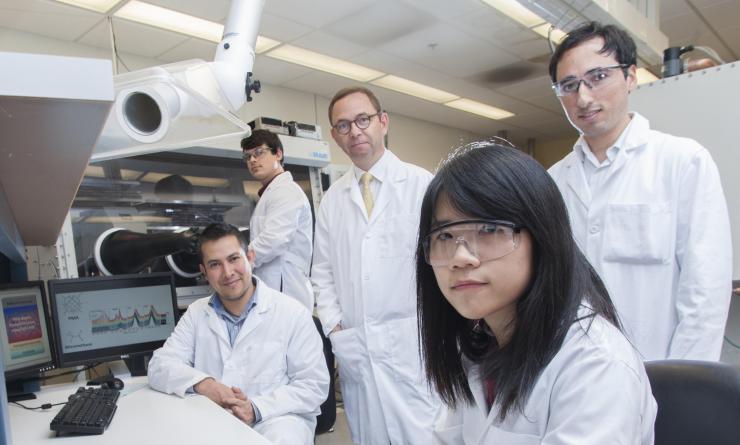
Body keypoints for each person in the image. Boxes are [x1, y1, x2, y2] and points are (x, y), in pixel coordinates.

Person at [417, 141, 656, 444]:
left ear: (542, 235)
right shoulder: (480, 349)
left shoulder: (595, 366)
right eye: (446, 235)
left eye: (489, 230)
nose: (460, 256)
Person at [548, 22, 732, 361]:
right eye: (569, 85)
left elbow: (704, 293)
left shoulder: (682, 161)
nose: (583, 97)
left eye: (598, 77)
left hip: (656, 372)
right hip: (573, 374)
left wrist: (683, 384)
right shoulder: (553, 182)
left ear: (631, 76)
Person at [312, 86, 439, 444]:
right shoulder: (332, 200)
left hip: (414, 345)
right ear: (336, 136)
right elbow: (321, 274)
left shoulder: (421, 185)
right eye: (343, 126)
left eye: (362, 120)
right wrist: (337, 332)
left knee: (427, 434)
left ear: (383, 122)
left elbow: (443, 264)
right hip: (357, 346)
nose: (354, 131)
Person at [148, 223, 329, 445]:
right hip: (213, 422)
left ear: (250, 257)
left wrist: (256, 408)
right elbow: (160, 365)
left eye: (234, 259)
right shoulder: (197, 313)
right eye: (215, 264)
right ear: (204, 272)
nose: (227, 273)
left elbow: (313, 385)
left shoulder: (292, 313)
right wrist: (207, 385)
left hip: (277, 423)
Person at [241, 129, 314, 311]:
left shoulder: (285, 191)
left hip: (285, 291)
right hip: (274, 289)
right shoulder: (271, 192)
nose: (252, 160)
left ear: (278, 154)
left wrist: (238, 262)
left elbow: (273, 240)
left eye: (259, 152)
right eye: (248, 157)